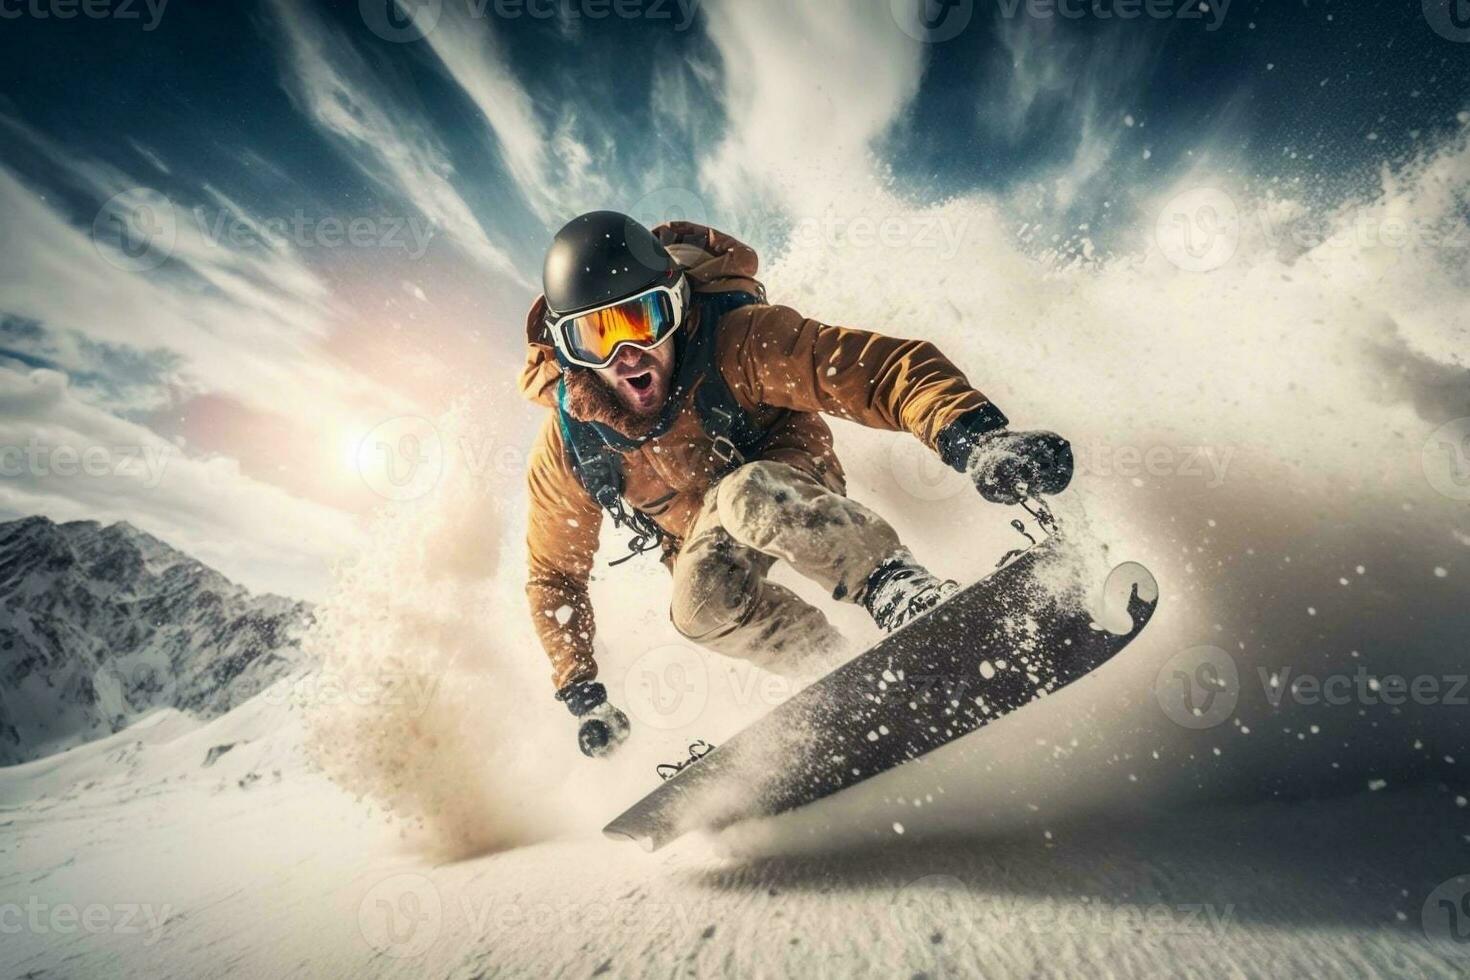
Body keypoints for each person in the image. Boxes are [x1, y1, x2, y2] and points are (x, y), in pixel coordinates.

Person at [518, 211, 1072, 758]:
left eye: (641, 320)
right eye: (595, 338)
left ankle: (896, 587)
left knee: (746, 493)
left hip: (786, 482)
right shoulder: (575, 443)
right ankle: (831, 669)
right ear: (569, 353)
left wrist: (974, 436)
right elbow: (553, 574)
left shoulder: (739, 342)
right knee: (696, 611)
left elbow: (879, 372)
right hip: (707, 535)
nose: (626, 356)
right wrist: (581, 689)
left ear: (677, 307)